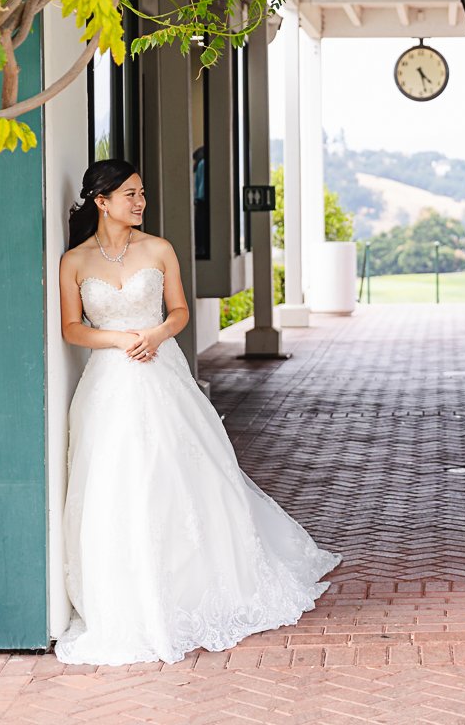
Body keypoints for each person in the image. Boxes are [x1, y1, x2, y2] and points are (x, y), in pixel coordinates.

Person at [55, 159, 340, 665]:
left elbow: (180, 311)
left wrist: (156, 334)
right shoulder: (74, 261)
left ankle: (193, 583)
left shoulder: (158, 249)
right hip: (107, 385)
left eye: (141, 192)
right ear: (101, 201)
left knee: (174, 473)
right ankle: (127, 595)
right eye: (129, 194)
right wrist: (120, 339)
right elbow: (73, 329)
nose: (140, 202)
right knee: (116, 481)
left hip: (161, 371)